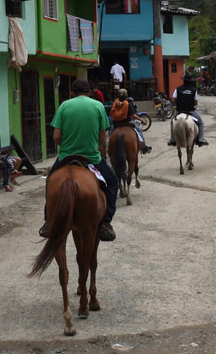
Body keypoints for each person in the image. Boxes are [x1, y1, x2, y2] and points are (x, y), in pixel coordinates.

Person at [42, 79, 118, 242]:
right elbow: (102, 137)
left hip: (66, 157)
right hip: (91, 158)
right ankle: (105, 223)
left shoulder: (64, 106)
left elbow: (56, 136)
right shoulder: (98, 106)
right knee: (112, 182)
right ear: (89, 92)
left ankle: (48, 221)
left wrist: (67, 146)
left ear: (72, 92)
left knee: (50, 181)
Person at [168, 73, 207, 146]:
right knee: (201, 123)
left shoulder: (178, 89)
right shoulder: (193, 90)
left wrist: (180, 100)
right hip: (191, 111)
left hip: (179, 111)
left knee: (172, 122)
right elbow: (195, 102)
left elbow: (173, 100)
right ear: (190, 81)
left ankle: (173, 140)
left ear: (183, 81)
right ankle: (201, 139)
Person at [109, 88, 148, 152]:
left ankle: (110, 149)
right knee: (139, 131)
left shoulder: (115, 103)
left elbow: (111, 114)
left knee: (111, 134)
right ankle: (144, 147)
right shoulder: (128, 103)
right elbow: (133, 115)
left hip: (116, 123)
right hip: (127, 122)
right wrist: (142, 120)